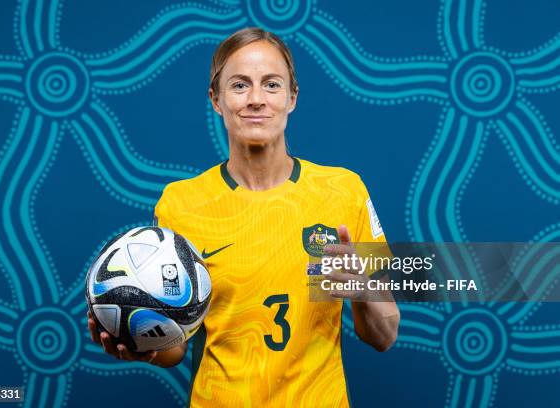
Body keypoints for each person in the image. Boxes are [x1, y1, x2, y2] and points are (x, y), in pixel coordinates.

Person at [88, 27, 400, 407]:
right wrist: (144, 345)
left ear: (292, 97)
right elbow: (176, 345)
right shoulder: (180, 203)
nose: (256, 99)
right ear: (216, 99)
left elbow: (384, 336)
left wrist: (364, 290)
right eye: (239, 85)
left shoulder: (344, 190)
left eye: (271, 85)